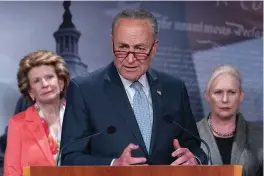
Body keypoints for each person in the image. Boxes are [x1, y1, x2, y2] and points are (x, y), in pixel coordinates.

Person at [60, 8, 207, 166]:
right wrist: (113, 165)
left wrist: (194, 159)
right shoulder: (84, 90)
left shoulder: (174, 88)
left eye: (139, 49)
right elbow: (70, 158)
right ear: (112, 44)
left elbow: (193, 146)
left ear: (154, 48)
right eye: (122, 47)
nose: (130, 59)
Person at [4, 50, 70, 176]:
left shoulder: (79, 117)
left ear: (60, 82)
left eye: (49, 77)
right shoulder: (18, 124)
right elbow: (11, 172)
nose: (45, 84)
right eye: (36, 81)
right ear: (30, 92)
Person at [197, 65, 263, 176]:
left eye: (231, 92)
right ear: (207, 96)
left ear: (241, 96)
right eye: (218, 92)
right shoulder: (191, 134)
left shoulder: (260, 134)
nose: (225, 99)